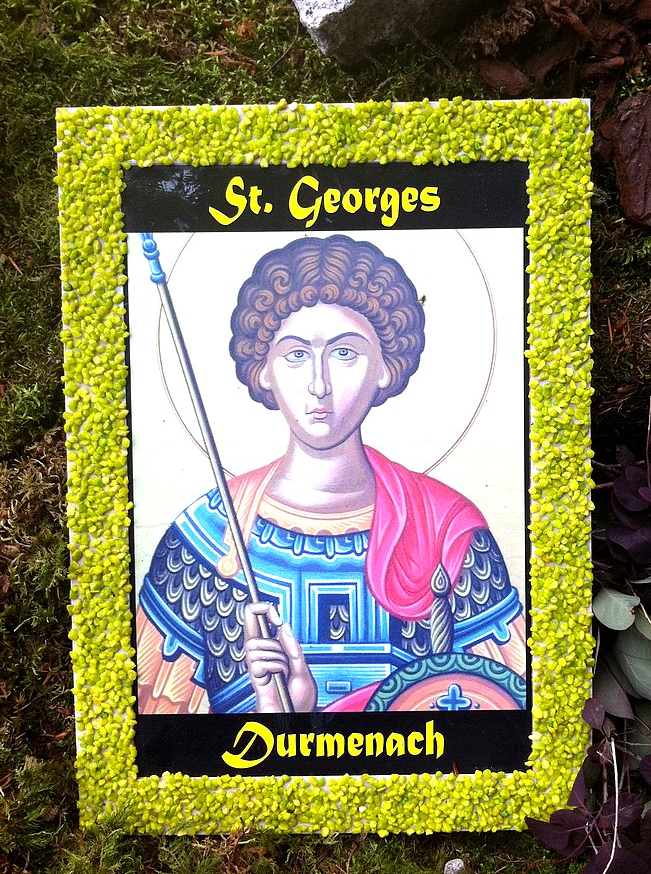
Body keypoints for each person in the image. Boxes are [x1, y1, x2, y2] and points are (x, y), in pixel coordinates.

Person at [136, 235, 526, 714]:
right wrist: (280, 718)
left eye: (344, 354)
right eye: (296, 355)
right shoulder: (204, 542)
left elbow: (504, 715)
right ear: (264, 370)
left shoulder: (448, 532)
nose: (319, 385)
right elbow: (165, 735)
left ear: (386, 367)